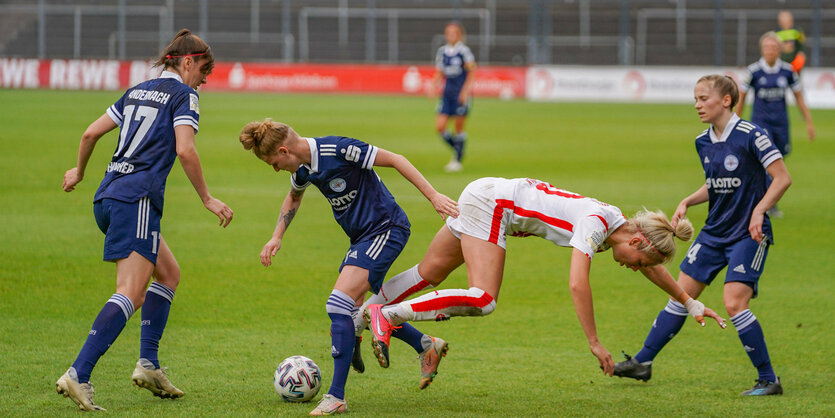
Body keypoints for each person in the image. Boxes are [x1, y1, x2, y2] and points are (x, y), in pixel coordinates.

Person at [362, 177, 726, 379]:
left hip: (488, 195)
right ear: (636, 241)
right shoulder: (596, 224)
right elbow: (577, 283)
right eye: (638, 261)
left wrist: (690, 301)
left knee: (430, 273)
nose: (635, 268)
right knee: (484, 298)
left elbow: (654, 268)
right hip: (494, 206)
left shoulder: (616, 222)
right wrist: (595, 342)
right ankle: (388, 316)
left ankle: (358, 316)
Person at [57, 29, 234, 411]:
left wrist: (79, 172)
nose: (206, 78)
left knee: (168, 274)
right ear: (187, 62)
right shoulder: (185, 95)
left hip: (107, 196)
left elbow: (90, 133)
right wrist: (207, 197)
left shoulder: (137, 90)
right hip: (136, 200)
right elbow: (185, 149)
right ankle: (78, 373)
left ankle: (149, 365)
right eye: (205, 69)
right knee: (131, 292)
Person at [239, 119, 458, 415]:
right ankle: (424, 344)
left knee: (337, 305)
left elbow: (395, 159)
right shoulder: (303, 168)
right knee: (355, 313)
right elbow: (294, 196)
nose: (276, 169)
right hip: (361, 239)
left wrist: (433, 196)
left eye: (273, 163)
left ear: (283, 150)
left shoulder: (339, 149)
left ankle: (337, 396)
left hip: (386, 228)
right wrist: (277, 236)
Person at [613, 75, 792, 396]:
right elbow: (716, 183)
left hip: (748, 234)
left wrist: (760, 210)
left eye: (703, 98)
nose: (697, 105)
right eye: (695, 99)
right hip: (713, 233)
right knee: (681, 295)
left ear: (726, 100)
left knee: (734, 303)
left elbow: (782, 178)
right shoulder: (703, 141)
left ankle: (769, 379)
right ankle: (643, 362)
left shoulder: (754, 135)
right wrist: (688, 200)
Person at [737, 31, 813, 217]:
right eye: (767, 47)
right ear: (762, 49)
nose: (770, 51)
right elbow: (742, 97)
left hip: (781, 123)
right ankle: (762, 202)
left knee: (779, 161)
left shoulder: (788, 71)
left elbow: (798, 97)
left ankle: (771, 202)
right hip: (761, 124)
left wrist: (809, 122)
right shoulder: (753, 71)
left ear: (779, 50)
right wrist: (734, 122)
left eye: (773, 47)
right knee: (766, 161)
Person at [432, 21, 476, 172]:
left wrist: (465, 91)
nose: (451, 35)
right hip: (447, 94)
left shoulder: (464, 51)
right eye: (448, 32)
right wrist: (433, 85)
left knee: (458, 128)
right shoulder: (442, 52)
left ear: (459, 35)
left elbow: (471, 72)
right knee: (440, 127)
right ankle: (458, 149)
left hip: (460, 95)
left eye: (454, 32)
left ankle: (457, 159)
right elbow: (440, 72)